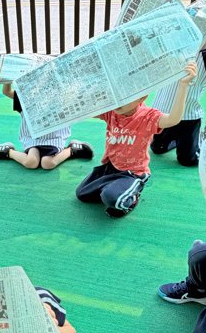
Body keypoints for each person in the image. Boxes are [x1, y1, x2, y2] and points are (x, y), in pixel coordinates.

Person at [75, 61, 199, 218]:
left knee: (113, 200)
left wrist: (183, 85)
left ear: (142, 97)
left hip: (132, 172)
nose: (118, 101)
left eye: (125, 97)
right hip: (109, 168)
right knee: (81, 194)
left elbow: (173, 119)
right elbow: (85, 109)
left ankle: (133, 194)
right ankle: (115, 187)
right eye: (115, 94)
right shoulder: (112, 112)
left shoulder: (148, 116)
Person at [149, 10, 206, 167]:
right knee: (157, 148)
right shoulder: (172, 50)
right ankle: (178, 140)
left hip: (188, 117)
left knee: (188, 160)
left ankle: (197, 142)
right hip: (163, 113)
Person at [0, 81, 93, 170]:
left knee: (48, 163)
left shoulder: (62, 98)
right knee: (31, 162)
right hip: (32, 139)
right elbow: (7, 91)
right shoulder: (26, 98)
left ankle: (72, 150)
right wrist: (7, 77)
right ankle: (8, 151)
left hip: (53, 139)